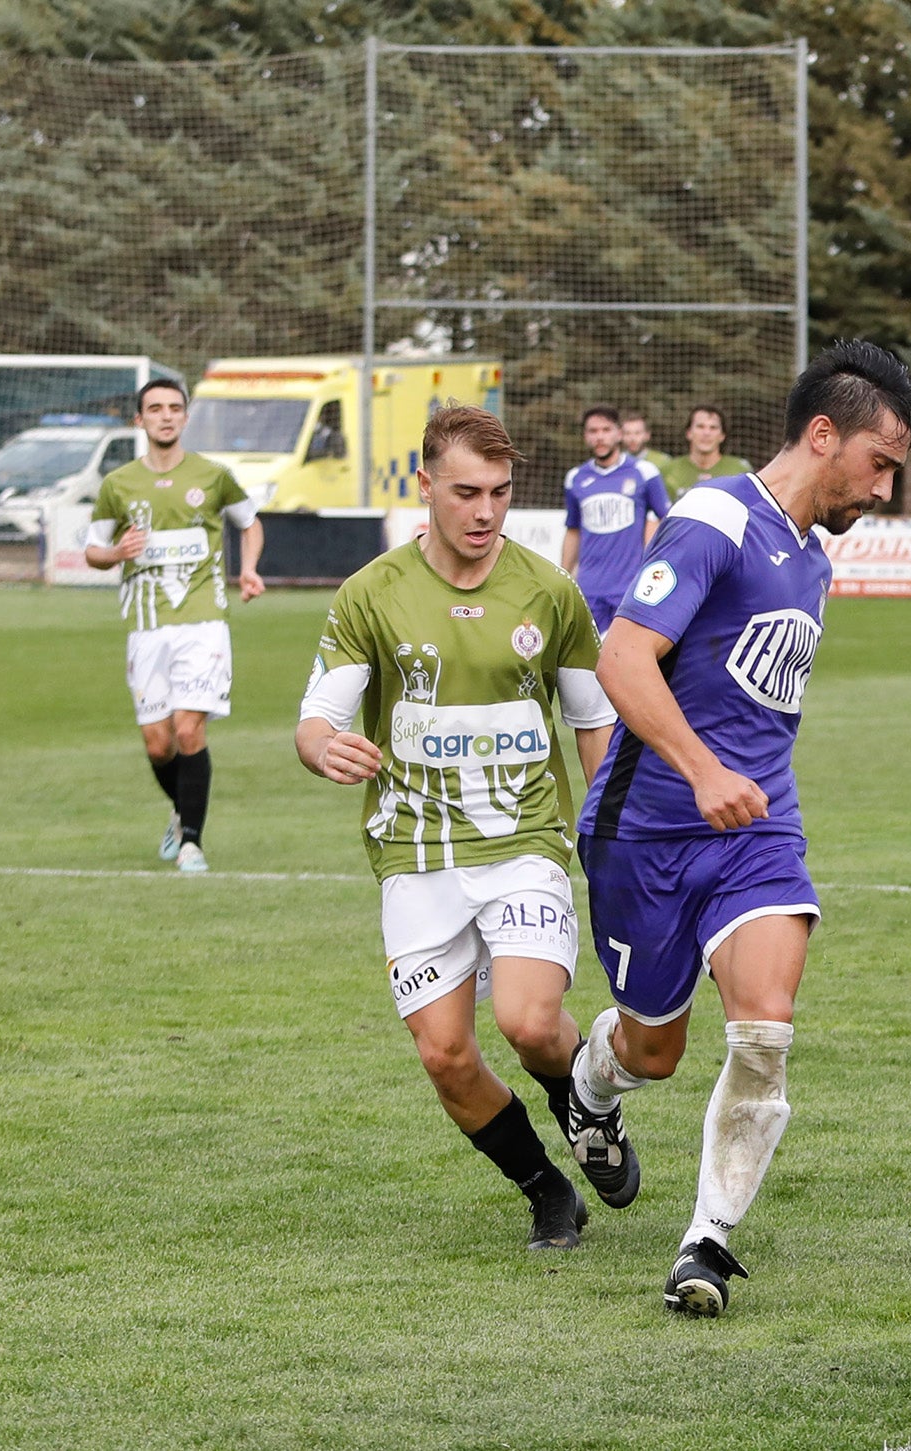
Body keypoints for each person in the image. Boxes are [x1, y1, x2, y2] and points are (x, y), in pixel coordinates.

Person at [567, 340, 911, 1317]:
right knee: (654, 1048)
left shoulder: (811, 554)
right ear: (825, 435)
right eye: (880, 463)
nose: (886, 488)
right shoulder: (714, 518)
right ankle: (591, 1082)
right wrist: (701, 768)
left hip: (757, 828)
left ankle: (706, 1243)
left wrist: (738, 779)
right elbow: (624, 659)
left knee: (764, 1027)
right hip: (645, 833)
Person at [296, 404, 631, 1254]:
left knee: (526, 1018)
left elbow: (593, 724)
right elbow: (319, 714)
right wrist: (322, 747)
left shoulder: (549, 592)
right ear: (426, 489)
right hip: (415, 853)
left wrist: (609, 829)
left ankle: (587, 1103)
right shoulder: (373, 592)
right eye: (466, 492)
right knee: (446, 1056)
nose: (485, 512)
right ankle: (548, 1187)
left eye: (501, 492)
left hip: (523, 841)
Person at [84, 379, 265, 872]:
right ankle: (181, 810)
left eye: (175, 408)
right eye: (155, 409)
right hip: (146, 624)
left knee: (188, 731)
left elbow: (249, 521)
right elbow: (93, 549)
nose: (166, 416)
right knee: (158, 742)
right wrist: (116, 553)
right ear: (139, 420)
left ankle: (192, 843)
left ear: (185, 418)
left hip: (204, 620)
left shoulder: (212, 475)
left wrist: (248, 569)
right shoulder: (118, 485)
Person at [561, 405, 671, 635]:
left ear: (619, 433)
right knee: (591, 665)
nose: (599, 437)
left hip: (630, 589)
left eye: (606, 430)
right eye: (593, 431)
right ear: (585, 436)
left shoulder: (645, 472)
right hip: (589, 589)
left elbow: (667, 521)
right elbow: (573, 530)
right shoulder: (575, 478)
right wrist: (563, 576)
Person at [661, 405, 753, 503]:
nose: (706, 433)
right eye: (700, 426)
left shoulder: (739, 470)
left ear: (722, 435)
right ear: (689, 433)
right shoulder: (669, 470)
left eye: (713, 428)